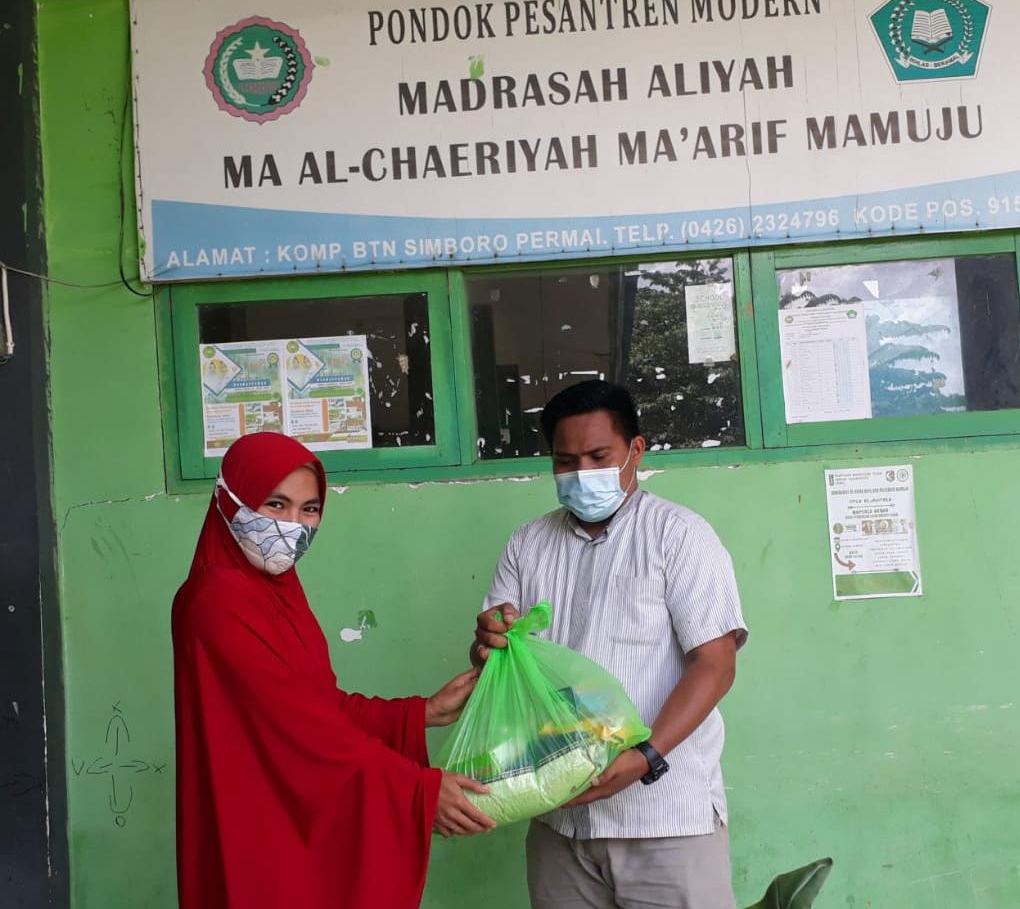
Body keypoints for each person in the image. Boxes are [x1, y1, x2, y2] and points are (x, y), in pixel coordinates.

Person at [172, 432, 494, 909]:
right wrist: (417, 791)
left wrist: (420, 713)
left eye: (309, 509)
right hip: (258, 826)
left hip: (283, 818)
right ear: (227, 501)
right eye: (275, 504)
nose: (292, 524)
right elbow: (300, 728)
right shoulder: (217, 600)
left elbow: (316, 702)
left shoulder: (277, 591)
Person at [473, 380, 747, 909]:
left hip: (664, 820)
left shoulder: (679, 536)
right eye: (565, 461)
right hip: (559, 817)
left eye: (599, 457)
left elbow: (715, 664)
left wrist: (646, 756)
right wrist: (488, 642)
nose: (581, 474)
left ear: (635, 450)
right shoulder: (527, 545)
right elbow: (496, 663)